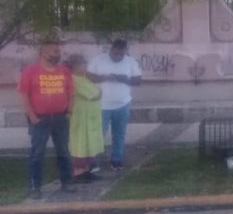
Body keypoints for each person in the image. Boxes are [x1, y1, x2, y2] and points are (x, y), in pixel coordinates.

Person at [18, 41, 76, 198]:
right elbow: (24, 95)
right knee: (37, 153)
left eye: (58, 51)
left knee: (64, 151)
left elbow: (71, 93)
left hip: (60, 118)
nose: (58, 54)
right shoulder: (30, 71)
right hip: (39, 119)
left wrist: (69, 111)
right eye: (54, 51)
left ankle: (67, 182)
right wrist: (32, 116)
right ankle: (34, 187)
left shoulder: (64, 71)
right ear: (43, 54)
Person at [87, 39, 142, 171]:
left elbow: (138, 81)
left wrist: (124, 79)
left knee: (119, 134)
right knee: (98, 134)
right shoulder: (98, 60)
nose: (117, 56)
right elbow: (88, 76)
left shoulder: (130, 62)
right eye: (115, 53)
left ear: (125, 51)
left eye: (120, 54)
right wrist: (104, 78)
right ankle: (93, 162)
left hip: (123, 104)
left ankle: (117, 160)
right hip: (101, 105)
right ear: (111, 49)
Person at [67, 54, 104, 182]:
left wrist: (98, 90)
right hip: (80, 117)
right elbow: (95, 94)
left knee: (89, 144)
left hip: (90, 118)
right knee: (80, 144)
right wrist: (98, 90)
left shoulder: (84, 77)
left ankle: (87, 170)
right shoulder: (73, 78)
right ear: (75, 65)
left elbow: (97, 91)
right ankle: (78, 172)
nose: (85, 66)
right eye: (82, 63)